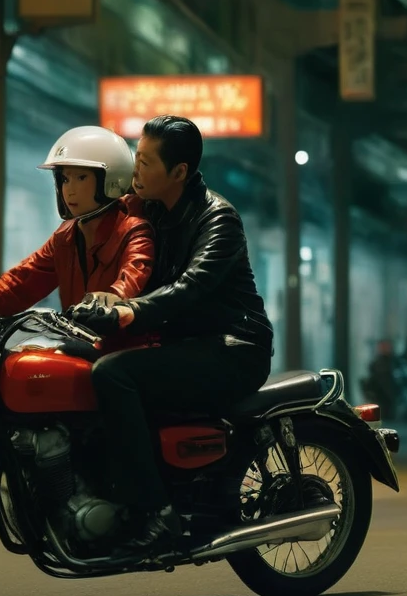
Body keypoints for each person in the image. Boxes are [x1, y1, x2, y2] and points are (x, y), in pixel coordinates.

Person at [68, 114, 275, 555]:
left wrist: (128, 311)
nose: (133, 171)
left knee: (114, 374)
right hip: (182, 343)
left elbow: (190, 287)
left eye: (144, 163)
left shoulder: (218, 219)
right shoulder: (151, 211)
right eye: (135, 158)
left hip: (234, 348)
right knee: (73, 362)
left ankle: (155, 513)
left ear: (178, 172)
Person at [0, 126, 154, 350]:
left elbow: (134, 274)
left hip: (125, 349)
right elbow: (22, 282)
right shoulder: (66, 236)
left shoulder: (134, 230)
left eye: (81, 177)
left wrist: (112, 300)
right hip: (81, 341)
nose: (70, 190)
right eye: (65, 179)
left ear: (111, 179)